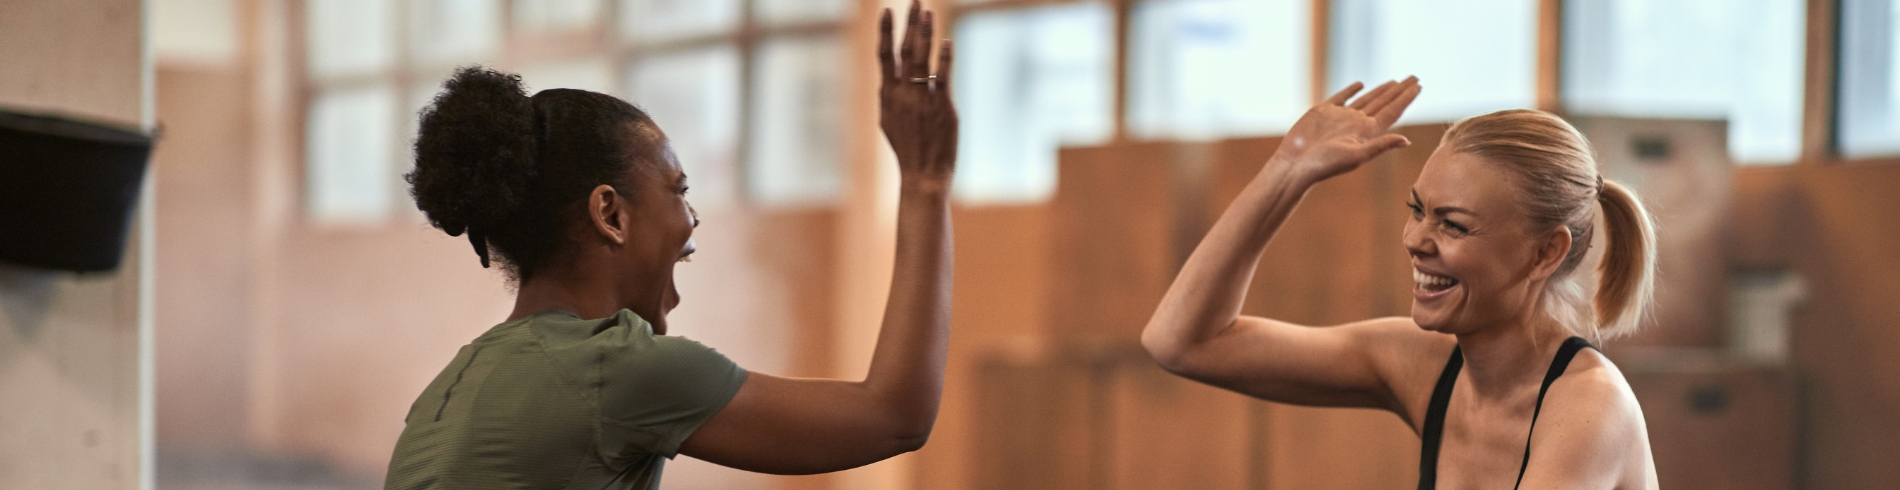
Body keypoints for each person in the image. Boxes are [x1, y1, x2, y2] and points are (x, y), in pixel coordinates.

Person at [383, 3, 958, 488]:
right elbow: (894, 416)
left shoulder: (453, 385)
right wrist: (925, 181)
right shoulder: (613, 369)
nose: (692, 216)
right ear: (610, 213)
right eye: (679, 190)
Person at [1140, 78, 1662, 489]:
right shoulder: (1424, 365)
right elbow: (1184, 342)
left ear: (1546, 253)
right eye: (1417, 211)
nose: (1416, 239)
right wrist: (1288, 169)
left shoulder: (1592, 408)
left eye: (1453, 224)